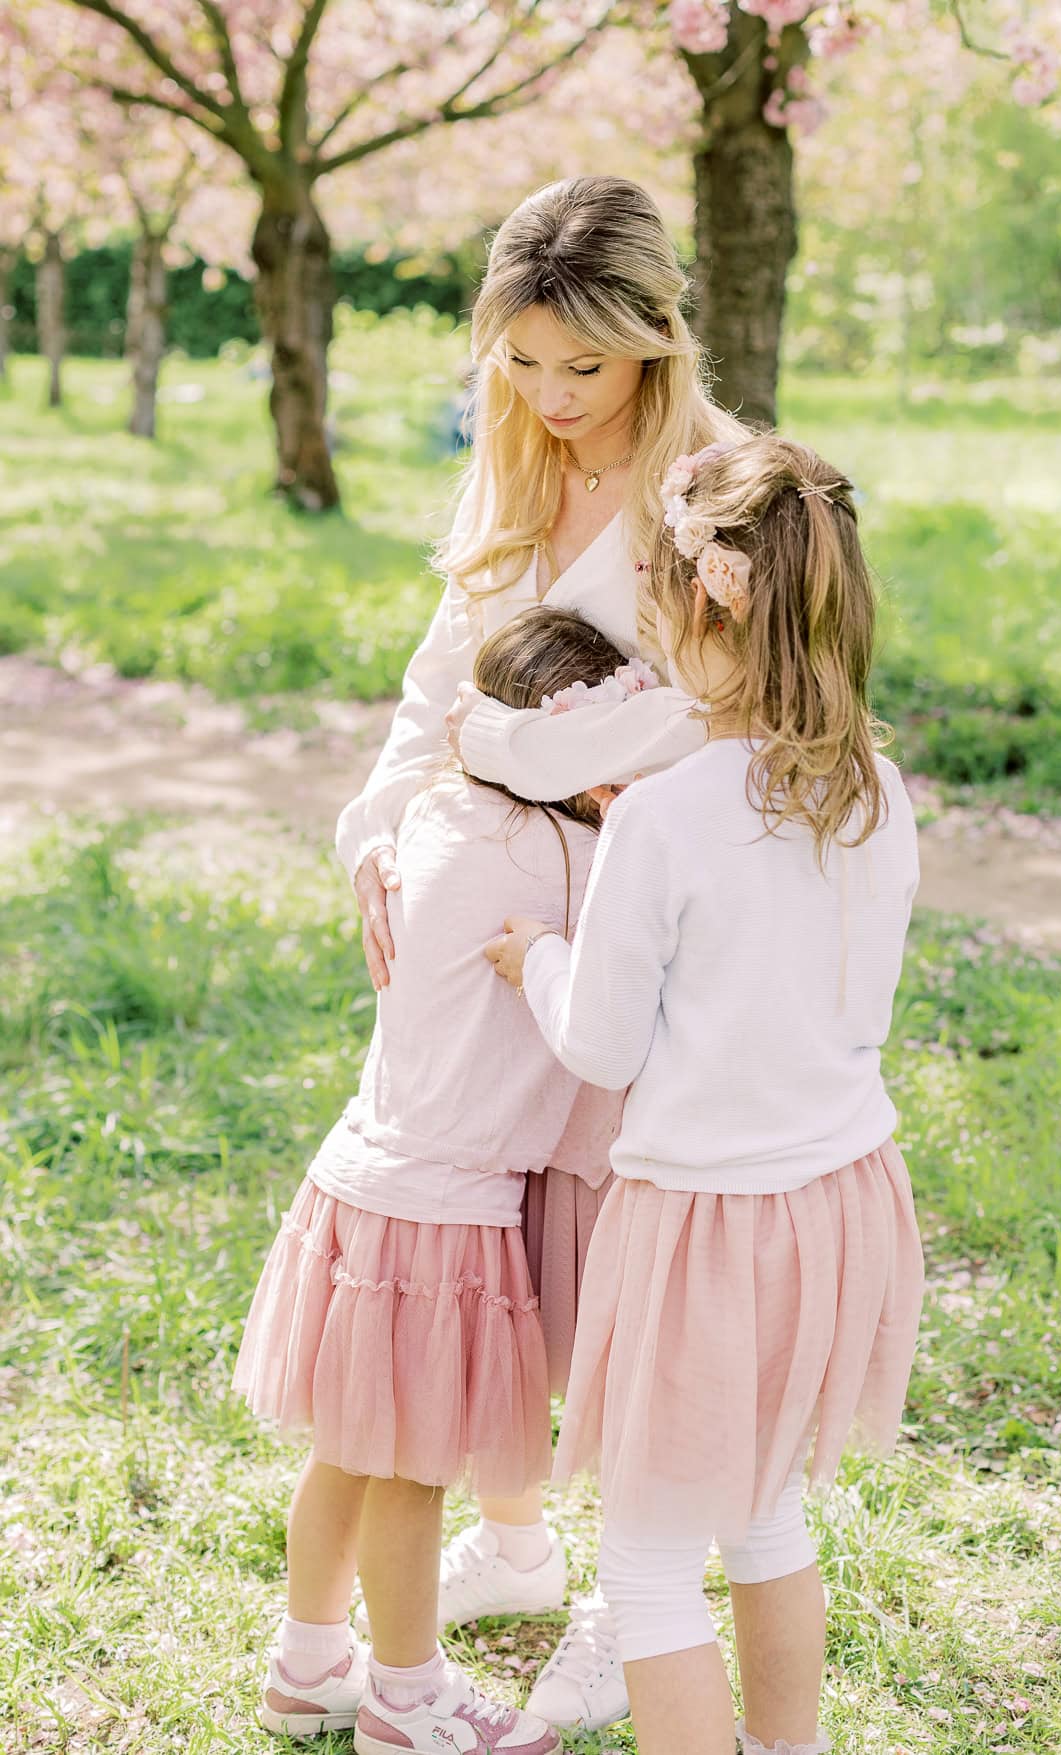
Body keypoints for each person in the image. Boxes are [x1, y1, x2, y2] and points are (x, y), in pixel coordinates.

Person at [336, 172, 747, 1729]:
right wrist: (380, 823)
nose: (556, 397)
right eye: (522, 360)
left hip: (636, 924)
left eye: (588, 366)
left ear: (657, 337)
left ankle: (629, 1590)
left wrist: (508, 743)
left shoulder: (714, 484)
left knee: (617, 1257)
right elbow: (435, 675)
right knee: (481, 1224)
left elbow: (717, 707)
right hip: (489, 902)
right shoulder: (508, 465)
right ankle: (509, 1535)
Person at [486, 435, 925, 1755]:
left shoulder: (663, 816)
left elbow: (603, 1049)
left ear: (699, 603)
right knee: (764, 1513)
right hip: (841, 1204)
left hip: (706, 1226)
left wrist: (539, 958)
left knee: (650, 1562)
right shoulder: (875, 793)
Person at [235, 608, 637, 1754]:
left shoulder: (433, 815)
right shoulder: (572, 860)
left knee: (350, 1453)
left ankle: (309, 1664)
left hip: (357, 1181)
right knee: (413, 1472)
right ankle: (408, 1701)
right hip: (445, 1212)